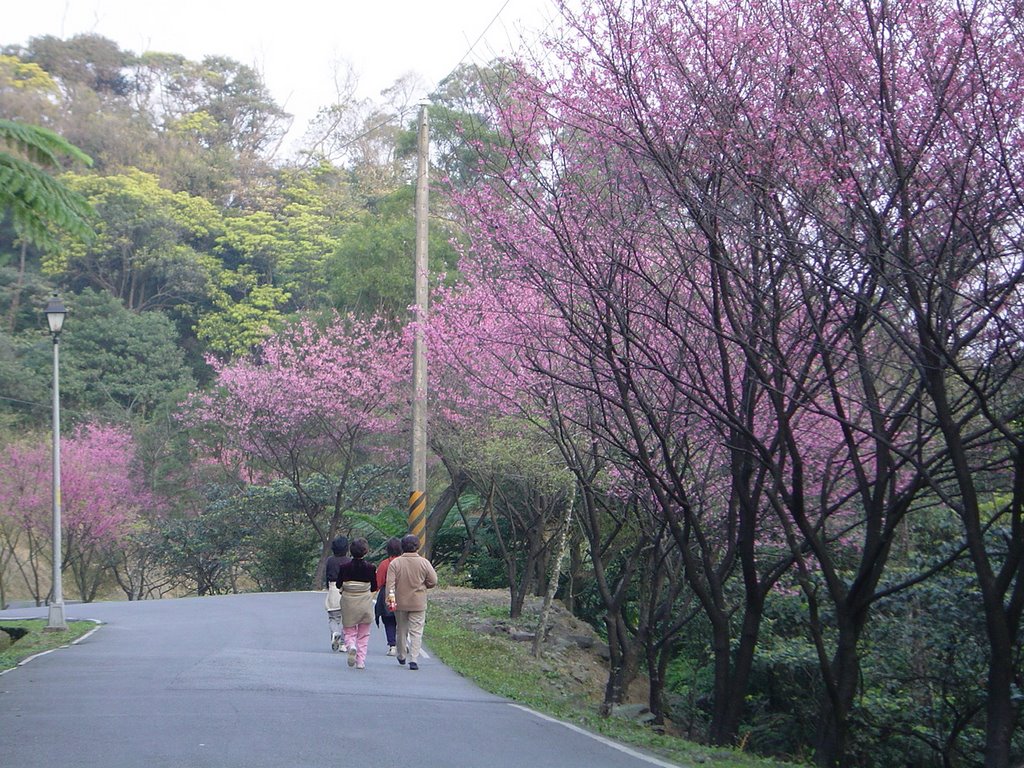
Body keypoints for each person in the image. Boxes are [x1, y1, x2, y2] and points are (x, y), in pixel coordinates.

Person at [385, 534, 437, 671]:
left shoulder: (395, 563)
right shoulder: (424, 563)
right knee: (416, 631)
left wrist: (390, 600)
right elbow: (433, 580)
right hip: (418, 602)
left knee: (401, 630)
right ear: (417, 547)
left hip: (400, 602)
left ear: (402, 546)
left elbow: (390, 584)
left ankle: (402, 655)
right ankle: (414, 658)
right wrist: (425, 586)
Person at [336, 537, 377, 669]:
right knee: (364, 634)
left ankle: (351, 646)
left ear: (351, 551)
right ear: (365, 551)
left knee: (349, 631)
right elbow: (374, 587)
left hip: (348, 603)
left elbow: (338, 585)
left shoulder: (344, 567)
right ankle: (360, 661)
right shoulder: (371, 568)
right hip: (365, 603)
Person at [374, 537, 403, 656]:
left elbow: (378, 582)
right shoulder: (403, 563)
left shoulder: (384, 564)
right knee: (402, 620)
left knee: (389, 620)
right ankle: (402, 642)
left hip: (388, 593)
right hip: (403, 593)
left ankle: (392, 646)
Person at [323, 536, 351, 653]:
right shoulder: (349, 561)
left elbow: (327, 576)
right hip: (347, 591)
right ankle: (344, 644)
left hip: (334, 589)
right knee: (347, 620)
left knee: (333, 618)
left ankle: (335, 633)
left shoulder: (330, 560)